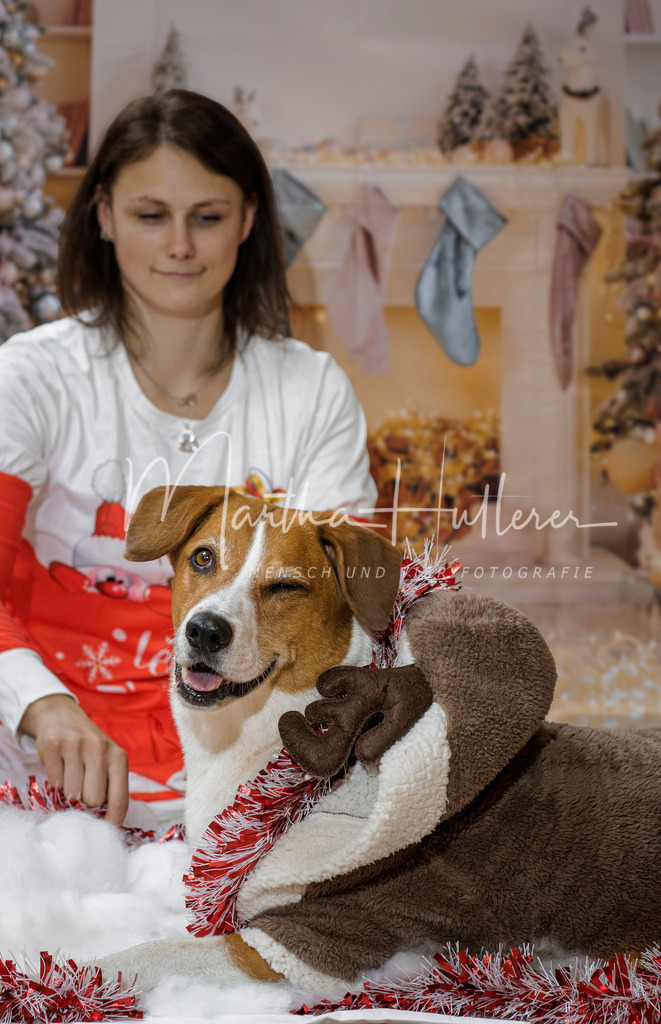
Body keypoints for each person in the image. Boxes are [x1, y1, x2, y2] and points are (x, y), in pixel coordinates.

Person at [0, 89, 377, 829]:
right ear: (103, 216)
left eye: (206, 217)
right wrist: (41, 705)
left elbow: (355, 608)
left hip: (259, 757)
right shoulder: (29, 376)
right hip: (42, 745)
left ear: (245, 221)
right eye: (151, 215)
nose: (180, 245)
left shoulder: (311, 389)